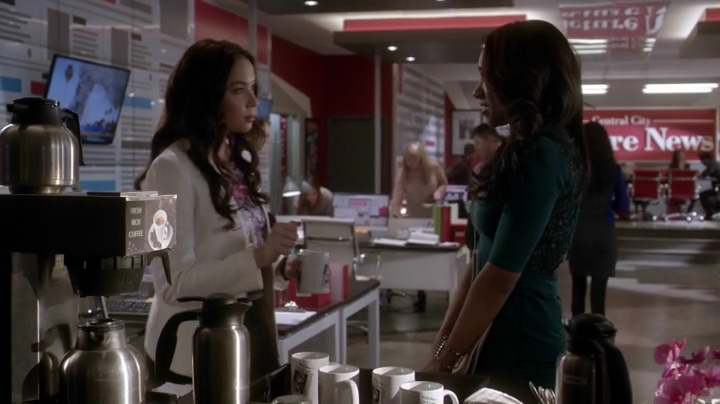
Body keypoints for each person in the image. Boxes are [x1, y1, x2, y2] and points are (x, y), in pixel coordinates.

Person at [422, 20, 589, 403]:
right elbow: (480, 263)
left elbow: (499, 278)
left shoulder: (542, 154)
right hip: (493, 329)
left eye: (487, 76)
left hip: (520, 339)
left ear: (521, 79)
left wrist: (445, 361)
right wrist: (441, 351)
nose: (478, 90)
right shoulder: (522, 151)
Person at [135, 39, 300, 381]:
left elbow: (240, 252)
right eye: (239, 90)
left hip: (247, 336)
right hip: (192, 353)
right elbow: (174, 282)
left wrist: (281, 266)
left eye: (253, 89)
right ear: (206, 97)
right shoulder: (170, 169)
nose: (253, 101)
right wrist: (259, 256)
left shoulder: (238, 163)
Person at [568, 122, 629, 318]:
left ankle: (576, 330)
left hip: (579, 233)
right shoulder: (614, 170)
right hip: (604, 233)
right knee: (599, 295)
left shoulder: (575, 169)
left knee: (578, 289)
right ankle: (598, 332)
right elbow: (623, 206)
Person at [465, 124, 504, 250]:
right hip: (479, 242)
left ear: (491, 140)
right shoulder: (480, 170)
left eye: (478, 143)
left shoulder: (506, 168)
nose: (476, 148)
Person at [390, 142, 448, 218]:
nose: (410, 164)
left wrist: (439, 192)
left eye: (413, 160)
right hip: (414, 217)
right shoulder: (403, 173)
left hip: (433, 216)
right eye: (408, 160)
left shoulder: (434, 167)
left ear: (421, 160)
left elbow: (443, 183)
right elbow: (397, 195)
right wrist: (395, 213)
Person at [698, 151, 720, 218]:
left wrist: (697, 175)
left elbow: (705, 174)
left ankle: (710, 213)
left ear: (706, 159)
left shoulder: (712, 164)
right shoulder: (715, 163)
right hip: (717, 188)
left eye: (702, 160)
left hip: (718, 188)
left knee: (703, 195)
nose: (702, 163)